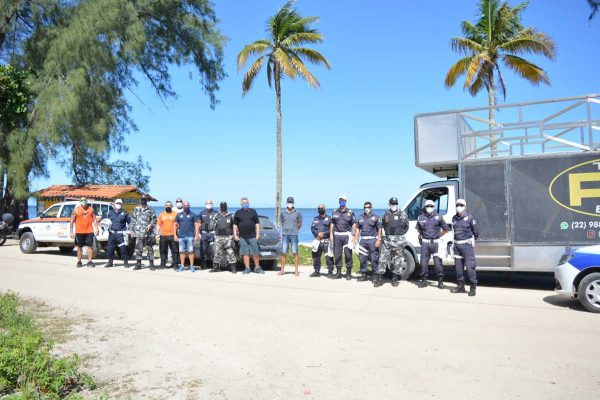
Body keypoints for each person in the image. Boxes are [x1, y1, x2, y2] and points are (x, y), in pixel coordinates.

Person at [375, 197, 409, 287]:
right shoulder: (385, 214)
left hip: (399, 240)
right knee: (382, 259)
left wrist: (399, 235)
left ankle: (395, 279)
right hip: (387, 240)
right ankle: (379, 279)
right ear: (389, 204)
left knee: (397, 260)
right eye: (392, 204)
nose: (394, 205)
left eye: (395, 204)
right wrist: (379, 238)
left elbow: (406, 227)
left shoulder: (403, 214)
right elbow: (380, 226)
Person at [416, 199, 449, 289]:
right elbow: (418, 229)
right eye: (427, 206)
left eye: (431, 206)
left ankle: (440, 281)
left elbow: (446, 229)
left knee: (438, 263)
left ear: (433, 207)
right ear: (425, 207)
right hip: (425, 243)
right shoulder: (420, 217)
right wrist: (422, 235)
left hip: (436, 243)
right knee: (423, 262)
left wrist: (438, 235)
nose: (429, 208)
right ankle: (424, 281)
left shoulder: (439, 216)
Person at [451, 199, 480, 296]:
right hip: (457, 246)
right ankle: (460, 286)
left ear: (465, 207)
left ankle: (473, 287)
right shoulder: (454, 218)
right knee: (458, 268)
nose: (459, 206)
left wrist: (473, 239)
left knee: (470, 267)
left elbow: (475, 231)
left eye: (461, 205)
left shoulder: (470, 218)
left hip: (467, 246)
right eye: (457, 205)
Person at [233, 197, 264, 274]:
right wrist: (235, 235)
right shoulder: (238, 213)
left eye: (246, 203)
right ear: (241, 204)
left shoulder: (253, 211)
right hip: (242, 237)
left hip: (253, 236)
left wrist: (258, 234)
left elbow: (257, 223)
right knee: (245, 253)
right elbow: (235, 225)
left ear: (248, 203)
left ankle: (257, 267)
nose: (245, 204)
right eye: (244, 203)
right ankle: (247, 268)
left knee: (255, 253)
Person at [330, 194, 356, 280]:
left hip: (347, 236)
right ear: (339, 201)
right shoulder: (334, 212)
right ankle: (338, 273)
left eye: (343, 200)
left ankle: (348, 273)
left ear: (345, 201)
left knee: (348, 255)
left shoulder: (350, 212)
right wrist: (331, 234)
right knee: (337, 254)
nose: (342, 202)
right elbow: (332, 223)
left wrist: (353, 235)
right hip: (337, 235)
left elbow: (354, 224)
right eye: (340, 200)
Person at [353, 201, 382, 282]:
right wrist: (355, 239)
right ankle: (363, 274)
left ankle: (375, 275)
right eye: (365, 207)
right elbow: (357, 229)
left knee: (374, 259)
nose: (367, 209)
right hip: (363, 240)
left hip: (373, 240)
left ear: (371, 208)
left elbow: (379, 229)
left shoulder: (376, 217)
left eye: (368, 207)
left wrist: (379, 239)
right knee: (362, 258)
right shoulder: (360, 217)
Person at [69, 197, 99, 268]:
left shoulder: (91, 209)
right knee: (79, 247)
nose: (84, 201)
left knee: (90, 246)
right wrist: (71, 232)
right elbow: (72, 221)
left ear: (87, 201)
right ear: (80, 201)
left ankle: (89, 261)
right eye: (82, 200)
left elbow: (94, 220)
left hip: (89, 231)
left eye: (85, 200)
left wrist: (97, 228)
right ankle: (79, 261)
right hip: (79, 231)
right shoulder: (76, 210)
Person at [130, 196, 157, 270]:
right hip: (138, 233)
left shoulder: (151, 209)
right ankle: (138, 264)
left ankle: (151, 264)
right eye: (142, 199)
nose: (143, 201)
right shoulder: (136, 209)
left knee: (150, 249)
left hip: (148, 233)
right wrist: (131, 230)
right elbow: (133, 220)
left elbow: (154, 220)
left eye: (145, 200)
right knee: (138, 249)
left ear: (147, 200)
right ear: (140, 200)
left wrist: (150, 225)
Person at [103, 199, 131, 268]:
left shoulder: (125, 213)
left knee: (123, 249)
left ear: (121, 204)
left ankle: (126, 262)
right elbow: (102, 220)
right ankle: (110, 262)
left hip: (121, 234)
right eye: (117, 203)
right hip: (112, 234)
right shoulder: (109, 212)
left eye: (120, 203)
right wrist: (103, 225)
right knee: (110, 249)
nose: (118, 204)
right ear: (114, 204)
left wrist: (130, 231)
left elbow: (130, 222)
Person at [279, 196, 303, 276]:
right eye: (289, 202)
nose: (290, 204)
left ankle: (296, 270)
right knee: (283, 252)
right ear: (286, 203)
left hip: (294, 235)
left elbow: (300, 222)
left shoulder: (298, 212)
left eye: (291, 202)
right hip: (285, 235)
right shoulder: (282, 213)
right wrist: (286, 228)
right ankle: (282, 270)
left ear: (293, 203)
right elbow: (282, 222)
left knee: (295, 252)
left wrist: (295, 229)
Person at [174, 200, 200, 272]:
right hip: (181, 236)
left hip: (190, 236)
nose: (186, 206)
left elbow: (196, 225)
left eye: (187, 205)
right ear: (182, 206)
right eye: (185, 205)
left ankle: (191, 266)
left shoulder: (193, 215)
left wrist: (196, 235)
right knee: (182, 252)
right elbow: (175, 225)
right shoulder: (179, 215)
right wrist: (175, 235)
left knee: (191, 251)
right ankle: (182, 266)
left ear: (189, 206)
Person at [212, 201, 237, 273]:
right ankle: (215, 268)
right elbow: (212, 226)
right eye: (222, 206)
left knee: (230, 252)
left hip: (229, 237)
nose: (223, 207)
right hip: (218, 236)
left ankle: (233, 268)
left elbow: (235, 226)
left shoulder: (231, 215)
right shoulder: (216, 215)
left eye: (224, 206)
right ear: (220, 207)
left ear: (227, 207)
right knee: (217, 252)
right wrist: (214, 222)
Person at [310, 204, 334, 278]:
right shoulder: (315, 219)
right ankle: (317, 271)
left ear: (325, 209)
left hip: (326, 240)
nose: (320, 209)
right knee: (316, 256)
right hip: (317, 240)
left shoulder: (330, 219)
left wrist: (324, 234)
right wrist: (317, 234)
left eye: (322, 208)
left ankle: (330, 271)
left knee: (328, 257)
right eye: (319, 208)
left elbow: (332, 229)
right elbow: (312, 228)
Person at [156, 200, 179, 270]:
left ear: (172, 206)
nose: (168, 206)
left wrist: (177, 234)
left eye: (169, 205)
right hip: (163, 235)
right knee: (163, 251)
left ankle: (175, 265)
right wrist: (157, 234)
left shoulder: (176, 214)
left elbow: (178, 224)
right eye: (167, 205)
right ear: (165, 206)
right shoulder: (161, 214)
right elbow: (159, 225)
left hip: (173, 235)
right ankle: (162, 264)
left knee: (175, 251)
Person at [199, 199, 217, 269]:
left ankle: (215, 266)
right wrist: (199, 233)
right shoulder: (201, 212)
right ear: (205, 204)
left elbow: (218, 223)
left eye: (210, 203)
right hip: (204, 234)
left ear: (212, 204)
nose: (208, 204)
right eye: (207, 203)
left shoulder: (215, 212)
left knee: (214, 250)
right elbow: (198, 222)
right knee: (203, 250)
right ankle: (203, 265)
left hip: (213, 233)